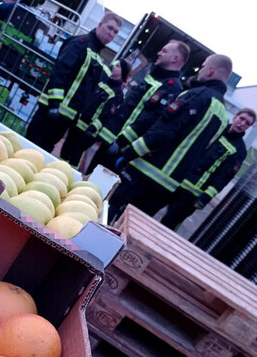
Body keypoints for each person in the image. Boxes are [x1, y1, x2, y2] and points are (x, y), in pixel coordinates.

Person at [108, 53, 233, 223]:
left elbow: (164, 132)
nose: (200, 70)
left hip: (145, 171)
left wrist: (129, 152)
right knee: (131, 225)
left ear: (211, 71)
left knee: (110, 210)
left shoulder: (196, 95)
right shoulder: (224, 116)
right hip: (169, 186)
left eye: (203, 66)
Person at [24, 11, 122, 164]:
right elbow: (60, 71)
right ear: (100, 24)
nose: (111, 34)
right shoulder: (81, 43)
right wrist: (54, 104)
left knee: (40, 156)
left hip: (64, 117)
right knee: (29, 151)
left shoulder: (95, 52)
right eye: (109, 28)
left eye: (115, 32)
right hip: (52, 112)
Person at [160, 107, 256, 230]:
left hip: (192, 195)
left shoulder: (240, 150)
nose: (242, 124)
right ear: (235, 116)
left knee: (167, 226)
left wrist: (204, 198)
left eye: (247, 123)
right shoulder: (217, 129)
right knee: (148, 210)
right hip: (175, 179)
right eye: (242, 119)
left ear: (248, 127)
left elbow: (223, 178)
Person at [107, 40, 190, 171]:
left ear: (175, 58)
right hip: (114, 137)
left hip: (124, 146)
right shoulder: (154, 77)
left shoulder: (172, 87)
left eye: (164, 51)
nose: (159, 53)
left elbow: (149, 119)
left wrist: (122, 141)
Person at [73, 58, 132, 174]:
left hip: (89, 130)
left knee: (76, 155)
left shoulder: (118, 94)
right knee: (67, 150)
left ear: (123, 73)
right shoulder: (102, 82)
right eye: (115, 64)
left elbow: (106, 115)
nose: (114, 67)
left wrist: (93, 128)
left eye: (118, 66)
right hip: (79, 122)